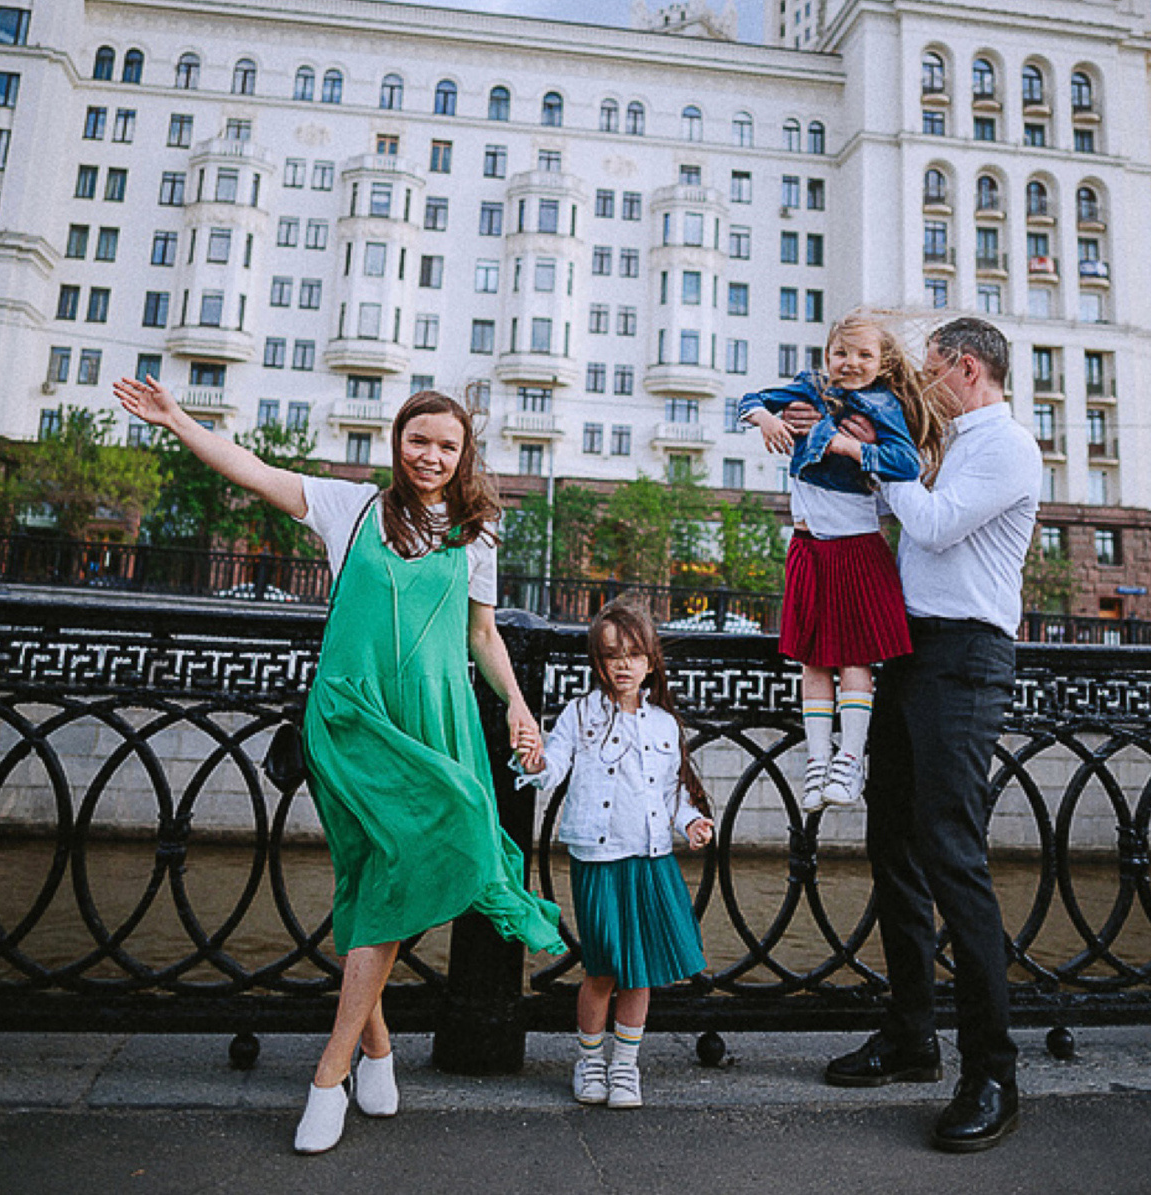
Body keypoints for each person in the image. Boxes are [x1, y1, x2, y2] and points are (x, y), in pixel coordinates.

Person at [111, 377, 563, 1155]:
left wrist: (519, 708)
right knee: (373, 874)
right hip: (353, 719)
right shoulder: (347, 505)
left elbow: (483, 635)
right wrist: (178, 418)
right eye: (418, 441)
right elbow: (249, 467)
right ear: (398, 443)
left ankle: (345, 1064)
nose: (430, 456)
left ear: (464, 457)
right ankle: (355, 1060)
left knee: (428, 844)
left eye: (446, 446)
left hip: (436, 719)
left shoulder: (477, 532)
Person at [815, 316, 1041, 1154]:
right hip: (909, 650)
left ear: (967, 368)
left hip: (967, 656)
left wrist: (873, 459)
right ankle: (912, 1035)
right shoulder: (945, 438)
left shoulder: (1007, 445)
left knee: (951, 851)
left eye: (930, 368)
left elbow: (937, 524)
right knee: (894, 846)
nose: (919, 380)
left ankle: (994, 1073)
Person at [735, 310, 946, 811]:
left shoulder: (884, 405)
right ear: (825, 354)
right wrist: (766, 418)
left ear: (883, 362)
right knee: (813, 659)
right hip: (807, 545)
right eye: (840, 353)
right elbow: (748, 400)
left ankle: (849, 762)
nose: (850, 363)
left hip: (855, 544)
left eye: (863, 355)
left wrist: (848, 445)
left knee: (854, 659)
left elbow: (906, 462)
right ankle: (817, 761)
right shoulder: (809, 388)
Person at [516, 601, 716, 1109]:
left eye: (632, 653)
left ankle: (625, 1065)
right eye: (610, 655)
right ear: (597, 663)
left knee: (642, 969)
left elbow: (670, 791)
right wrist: (536, 760)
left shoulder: (664, 725)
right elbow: (554, 764)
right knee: (602, 966)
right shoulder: (580, 714)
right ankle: (589, 1060)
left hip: (650, 857)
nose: (622, 665)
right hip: (599, 858)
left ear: (651, 660)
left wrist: (691, 820)